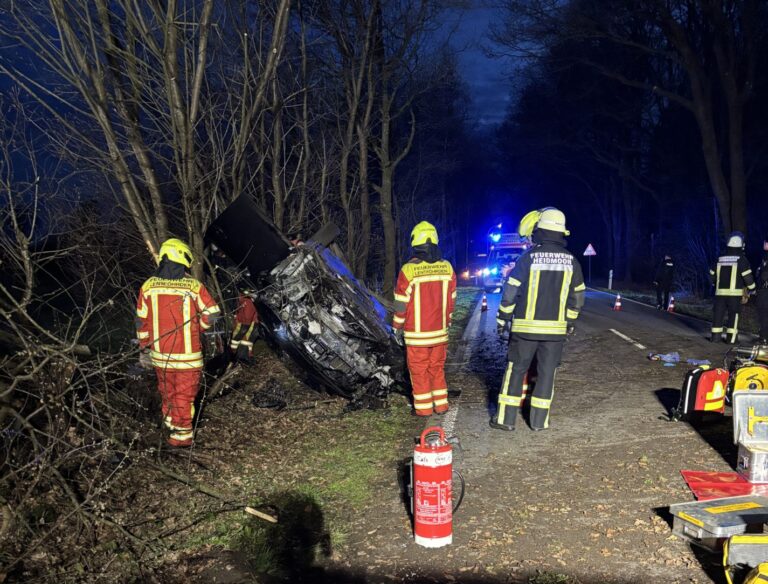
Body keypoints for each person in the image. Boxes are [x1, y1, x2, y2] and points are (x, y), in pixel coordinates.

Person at [490, 208, 585, 432]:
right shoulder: (572, 261)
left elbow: (511, 292)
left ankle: (505, 419)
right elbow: (577, 299)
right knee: (546, 375)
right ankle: (539, 422)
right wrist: (569, 322)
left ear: (539, 230)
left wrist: (503, 319)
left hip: (524, 330)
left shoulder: (528, 258)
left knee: (515, 372)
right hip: (555, 334)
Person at [136, 239, 220, 447]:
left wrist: (144, 346)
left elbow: (141, 320)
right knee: (183, 398)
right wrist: (197, 328)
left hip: (160, 357)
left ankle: (169, 430)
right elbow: (213, 313)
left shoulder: (148, 287)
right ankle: (181, 440)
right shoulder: (192, 285)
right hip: (188, 358)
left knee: (168, 394)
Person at [392, 221, 456, 416]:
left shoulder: (408, 270)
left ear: (415, 243)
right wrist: (448, 322)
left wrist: (397, 327)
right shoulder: (447, 268)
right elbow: (452, 300)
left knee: (419, 372)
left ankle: (424, 409)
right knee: (437, 369)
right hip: (440, 333)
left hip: (417, 336)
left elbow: (401, 303)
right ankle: (442, 405)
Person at [710, 232, 756, 344]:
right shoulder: (742, 259)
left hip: (720, 293)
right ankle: (731, 340)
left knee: (718, 315)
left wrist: (715, 285)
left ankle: (715, 338)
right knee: (734, 316)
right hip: (734, 295)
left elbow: (712, 274)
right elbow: (747, 277)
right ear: (742, 245)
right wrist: (752, 288)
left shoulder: (720, 258)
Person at [230, 288, 260, 363]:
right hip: (247, 322)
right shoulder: (247, 300)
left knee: (248, 338)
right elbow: (247, 315)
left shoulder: (246, 298)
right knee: (245, 338)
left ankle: (244, 356)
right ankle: (241, 357)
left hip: (249, 321)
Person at [757, 236, 768, 344]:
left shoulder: (765, 257)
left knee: (764, 314)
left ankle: (764, 337)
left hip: (765, 292)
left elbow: (764, 276)